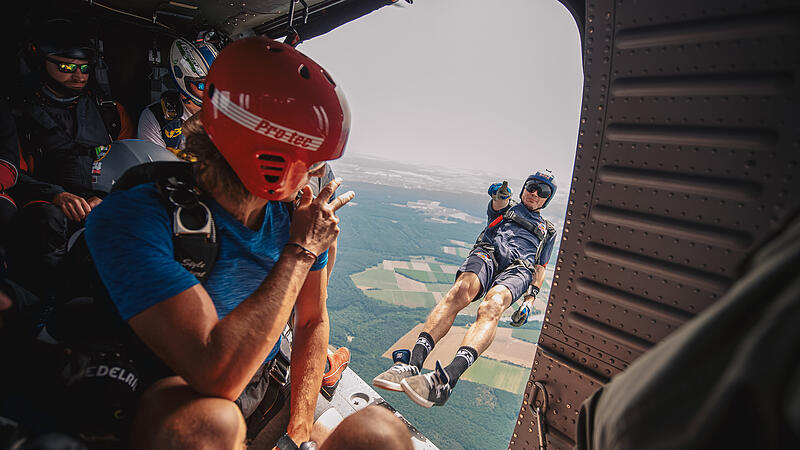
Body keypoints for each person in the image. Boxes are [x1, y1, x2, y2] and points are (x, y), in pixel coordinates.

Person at [84, 36, 353, 449]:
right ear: (271, 162)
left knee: (374, 437)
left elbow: (312, 320)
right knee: (215, 423)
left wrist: (298, 437)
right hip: (165, 399)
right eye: (313, 162)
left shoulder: (294, 217)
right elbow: (215, 375)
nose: (317, 174)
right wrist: (301, 252)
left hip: (257, 386)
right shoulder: (134, 218)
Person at [373, 171, 558, 407]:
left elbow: (540, 267)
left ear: (547, 199)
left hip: (519, 267)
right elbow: (497, 204)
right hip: (489, 251)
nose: (534, 193)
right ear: (524, 188)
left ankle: (447, 379)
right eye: (532, 186)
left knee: (493, 305)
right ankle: (413, 363)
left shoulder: (548, 230)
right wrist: (499, 196)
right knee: (461, 290)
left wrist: (530, 299)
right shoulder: (507, 209)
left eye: (542, 192)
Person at [7, 18, 134, 292]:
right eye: (66, 67)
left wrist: (108, 197)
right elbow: (11, 173)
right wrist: (56, 195)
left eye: (84, 68)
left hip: (103, 200)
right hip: (48, 203)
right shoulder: (17, 114)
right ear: (39, 61)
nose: (78, 76)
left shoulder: (110, 112)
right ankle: (47, 302)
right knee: (46, 220)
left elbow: (132, 163)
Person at [137, 38, 217, 159]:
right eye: (202, 85)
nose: (211, 90)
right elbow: (154, 168)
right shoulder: (155, 118)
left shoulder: (228, 113)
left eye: (216, 82)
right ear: (183, 83)